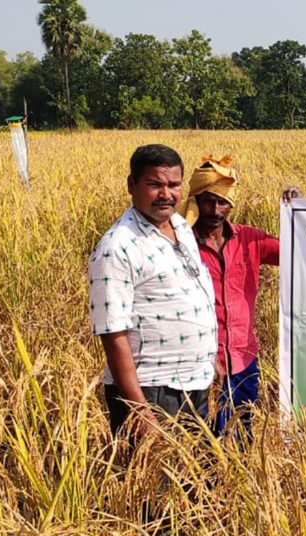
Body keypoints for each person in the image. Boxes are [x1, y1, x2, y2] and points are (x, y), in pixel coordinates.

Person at [90, 144, 218, 441]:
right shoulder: (117, 248)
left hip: (194, 383)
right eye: (154, 184)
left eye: (173, 185)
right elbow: (113, 333)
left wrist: (209, 356)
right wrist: (139, 409)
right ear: (131, 185)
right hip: (152, 391)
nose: (166, 194)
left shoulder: (181, 227)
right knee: (155, 484)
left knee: (194, 481)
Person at [181, 155, 299, 434]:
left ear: (231, 205)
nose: (215, 209)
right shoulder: (180, 244)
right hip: (201, 362)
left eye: (223, 202)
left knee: (243, 434)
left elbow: (297, 252)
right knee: (205, 439)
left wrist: (298, 213)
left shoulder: (249, 239)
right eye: (208, 200)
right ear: (195, 199)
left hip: (244, 359)